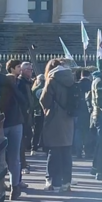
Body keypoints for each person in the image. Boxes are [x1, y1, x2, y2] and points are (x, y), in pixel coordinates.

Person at [0, 59, 27, 199]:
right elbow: (24, 101)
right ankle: (15, 187)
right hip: (16, 122)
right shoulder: (14, 84)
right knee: (14, 157)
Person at [40, 60, 76, 192]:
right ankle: (67, 183)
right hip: (68, 118)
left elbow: (44, 100)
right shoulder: (72, 79)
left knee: (53, 152)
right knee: (66, 152)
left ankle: (53, 183)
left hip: (54, 118)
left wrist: (47, 109)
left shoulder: (52, 80)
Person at [19, 62, 37, 174]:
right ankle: (22, 163)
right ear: (23, 70)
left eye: (31, 69)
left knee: (27, 137)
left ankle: (23, 162)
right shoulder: (21, 82)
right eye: (29, 69)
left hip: (28, 114)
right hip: (23, 115)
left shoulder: (28, 82)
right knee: (22, 139)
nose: (31, 71)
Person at [73, 68, 93, 159]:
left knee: (78, 131)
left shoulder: (76, 85)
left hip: (78, 111)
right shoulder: (91, 85)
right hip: (88, 111)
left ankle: (78, 152)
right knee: (88, 132)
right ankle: (88, 152)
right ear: (89, 75)